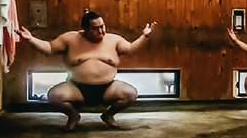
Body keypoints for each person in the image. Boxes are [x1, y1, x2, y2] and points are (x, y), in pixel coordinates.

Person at [16, 10, 157, 130]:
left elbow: (131, 49)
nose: (101, 31)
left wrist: (144, 37)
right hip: (76, 88)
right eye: (96, 28)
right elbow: (50, 49)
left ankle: (108, 115)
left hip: (107, 88)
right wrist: (31, 40)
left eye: (103, 26)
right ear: (85, 29)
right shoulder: (70, 39)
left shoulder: (114, 40)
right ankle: (73, 115)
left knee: (130, 93)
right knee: (54, 96)